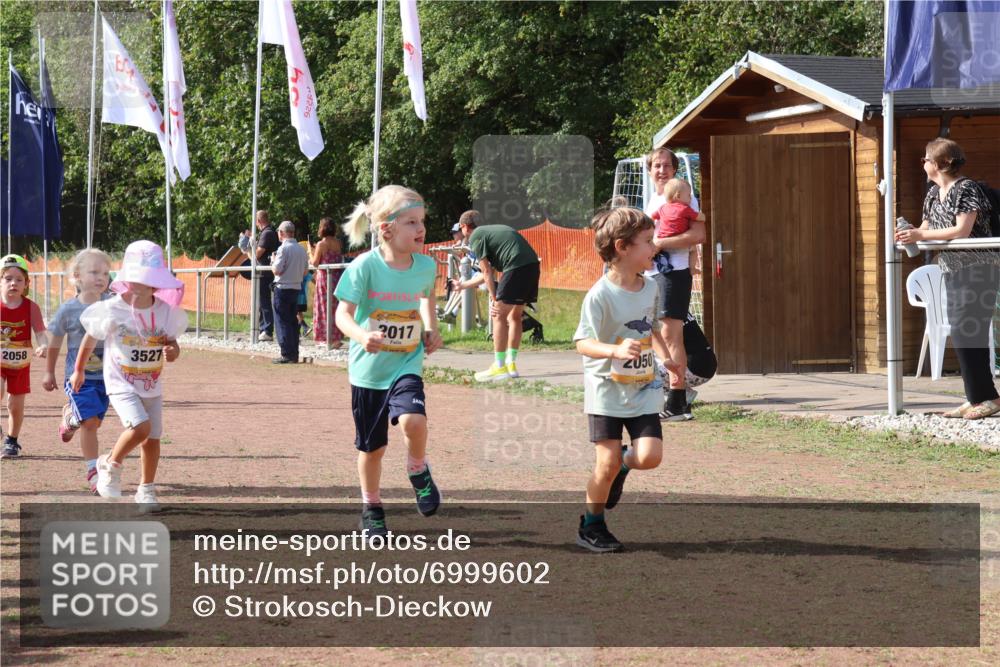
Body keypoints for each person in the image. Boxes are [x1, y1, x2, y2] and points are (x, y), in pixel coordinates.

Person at [334, 184, 443, 537]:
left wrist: (431, 328)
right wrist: (362, 335)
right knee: (373, 448)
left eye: (422, 221)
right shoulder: (364, 267)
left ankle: (417, 468)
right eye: (411, 222)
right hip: (368, 373)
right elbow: (342, 316)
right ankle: (372, 507)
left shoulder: (426, 266)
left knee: (414, 419)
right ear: (386, 229)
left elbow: (425, 298)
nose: (421, 229)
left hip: (405, 362)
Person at [574, 206, 672, 553]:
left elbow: (652, 325)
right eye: (647, 241)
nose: (654, 246)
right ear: (622, 247)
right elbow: (582, 343)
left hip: (644, 387)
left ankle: (623, 467)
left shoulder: (650, 288)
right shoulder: (599, 295)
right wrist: (614, 351)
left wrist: (666, 357)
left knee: (649, 456)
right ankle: (592, 525)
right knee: (606, 463)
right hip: (606, 392)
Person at [75, 240, 188, 510]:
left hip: (152, 383)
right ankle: (111, 465)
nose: (141, 285)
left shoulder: (164, 311)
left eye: (148, 280)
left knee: (152, 438)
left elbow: (171, 342)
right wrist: (78, 370)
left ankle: (146, 488)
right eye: (136, 278)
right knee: (140, 427)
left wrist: (173, 350)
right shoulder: (113, 308)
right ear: (127, 278)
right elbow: (90, 339)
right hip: (120, 382)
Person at [895, 138, 1000, 420]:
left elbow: (962, 229)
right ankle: (977, 396)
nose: (923, 163)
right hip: (952, 268)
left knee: (971, 332)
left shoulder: (966, 189)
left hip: (980, 267)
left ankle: (987, 398)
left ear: (941, 163)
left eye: (926, 159)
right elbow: (928, 227)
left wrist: (920, 235)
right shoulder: (932, 193)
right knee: (962, 331)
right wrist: (912, 233)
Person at [42, 248, 113, 493]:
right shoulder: (68, 309)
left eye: (105, 272)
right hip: (79, 378)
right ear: (77, 276)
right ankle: (93, 471)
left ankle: (70, 418)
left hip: (108, 379)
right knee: (90, 423)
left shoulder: (113, 306)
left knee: (93, 422)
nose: (101, 277)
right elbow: (54, 343)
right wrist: (49, 372)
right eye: (94, 271)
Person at [645, 147, 705, 421]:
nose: (661, 170)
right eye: (656, 166)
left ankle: (678, 401)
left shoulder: (684, 196)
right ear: (649, 170)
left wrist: (659, 244)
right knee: (655, 333)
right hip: (653, 273)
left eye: (666, 165)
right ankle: (668, 394)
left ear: (674, 169)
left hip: (675, 272)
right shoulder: (653, 200)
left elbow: (699, 233)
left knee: (671, 335)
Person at [452, 210, 541, 381]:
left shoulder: (476, 237)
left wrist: (494, 300)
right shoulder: (492, 232)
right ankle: (510, 364)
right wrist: (462, 285)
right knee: (515, 316)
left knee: (498, 315)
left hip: (516, 266)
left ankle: (499, 367)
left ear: (464, 227)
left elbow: (486, 272)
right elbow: (489, 272)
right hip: (532, 266)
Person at [0, 255, 48, 458]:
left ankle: (12, 441)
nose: (14, 283)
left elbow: (40, 334)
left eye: (19, 279)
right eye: (8, 278)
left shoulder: (31, 307)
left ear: (27, 283)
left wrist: (43, 345)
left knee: (15, 405)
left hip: (20, 364)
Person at [270, 221, 310, 364]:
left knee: (282, 321)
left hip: (282, 288)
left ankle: (286, 354)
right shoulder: (301, 249)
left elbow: (277, 270)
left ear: (281, 233)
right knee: (293, 321)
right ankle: (294, 352)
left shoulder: (283, 249)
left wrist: (273, 261)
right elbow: (305, 271)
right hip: (296, 288)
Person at [310, 216, 344, 347]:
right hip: (336, 278)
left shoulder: (321, 244)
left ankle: (324, 338)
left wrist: (310, 253)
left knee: (323, 307)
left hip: (324, 279)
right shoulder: (338, 243)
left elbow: (315, 263)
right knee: (335, 306)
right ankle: (336, 337)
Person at [247, 209, 280, 341]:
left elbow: (257, 254)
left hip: (264, 272)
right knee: (263, 301)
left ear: (259, 221)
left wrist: (247, 248)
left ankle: (267, 329)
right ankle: (264, 328)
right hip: (266, 271)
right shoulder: (270, 232)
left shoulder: (266, 234)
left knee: (264, 301)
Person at [654, 178, 704, 242]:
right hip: (678, 241)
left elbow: (653, 216)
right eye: (688, 195)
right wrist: (704, 217)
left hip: (661, 238)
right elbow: (698, 217)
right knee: (692, 249)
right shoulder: (685, 209)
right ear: (678, 196)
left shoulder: (662, 208)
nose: (691, 197)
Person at [297, 270, 313, 337]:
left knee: (296, 312)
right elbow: (312, 279)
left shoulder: (297, 271)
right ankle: (298, 332)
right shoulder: (307, 273)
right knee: (299, 313)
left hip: (297, 295)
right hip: (303, 297)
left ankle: (305, 327)